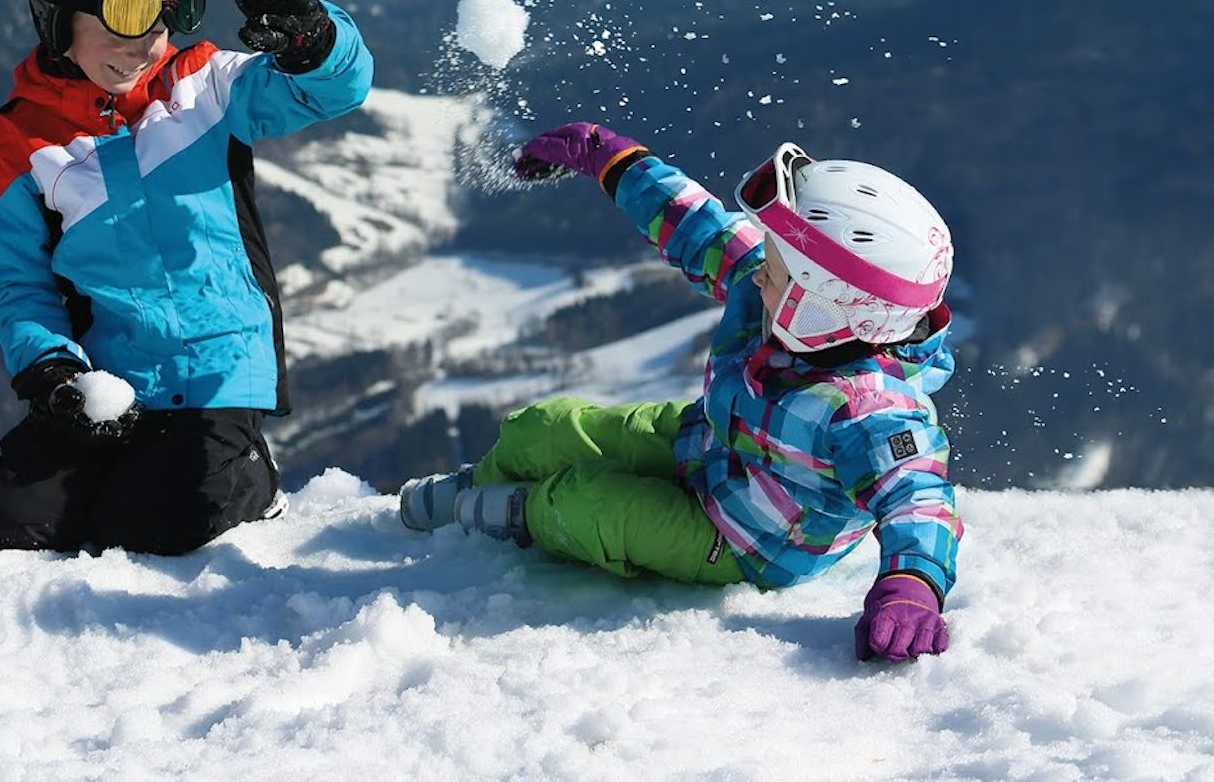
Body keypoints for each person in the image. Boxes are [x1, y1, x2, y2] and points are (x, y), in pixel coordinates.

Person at [400, 124, 960, 662]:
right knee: (545, 425)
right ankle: (481, 481)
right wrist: (611, 160)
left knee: (582, 505)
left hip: (745, 539)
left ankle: (513, 515)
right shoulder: (771, 292)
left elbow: (919, 496)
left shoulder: (871, 410)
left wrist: (912, 584)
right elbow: (702, 230)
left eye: (777, 270)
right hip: (707, 442)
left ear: (824, 307)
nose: (760, 272)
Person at [0, 0, 373, 556]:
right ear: (58, 17)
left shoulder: (202, 87)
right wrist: (53, 371)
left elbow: (331, 89)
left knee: (156, 528)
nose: (147, 43)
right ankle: (145, 474)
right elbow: (16, 282)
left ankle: (249, 483)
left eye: (168, 11)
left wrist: (310, 39)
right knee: (4, 519)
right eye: (123, 16)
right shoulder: (17, 140)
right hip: (112, 377)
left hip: (218, 365)